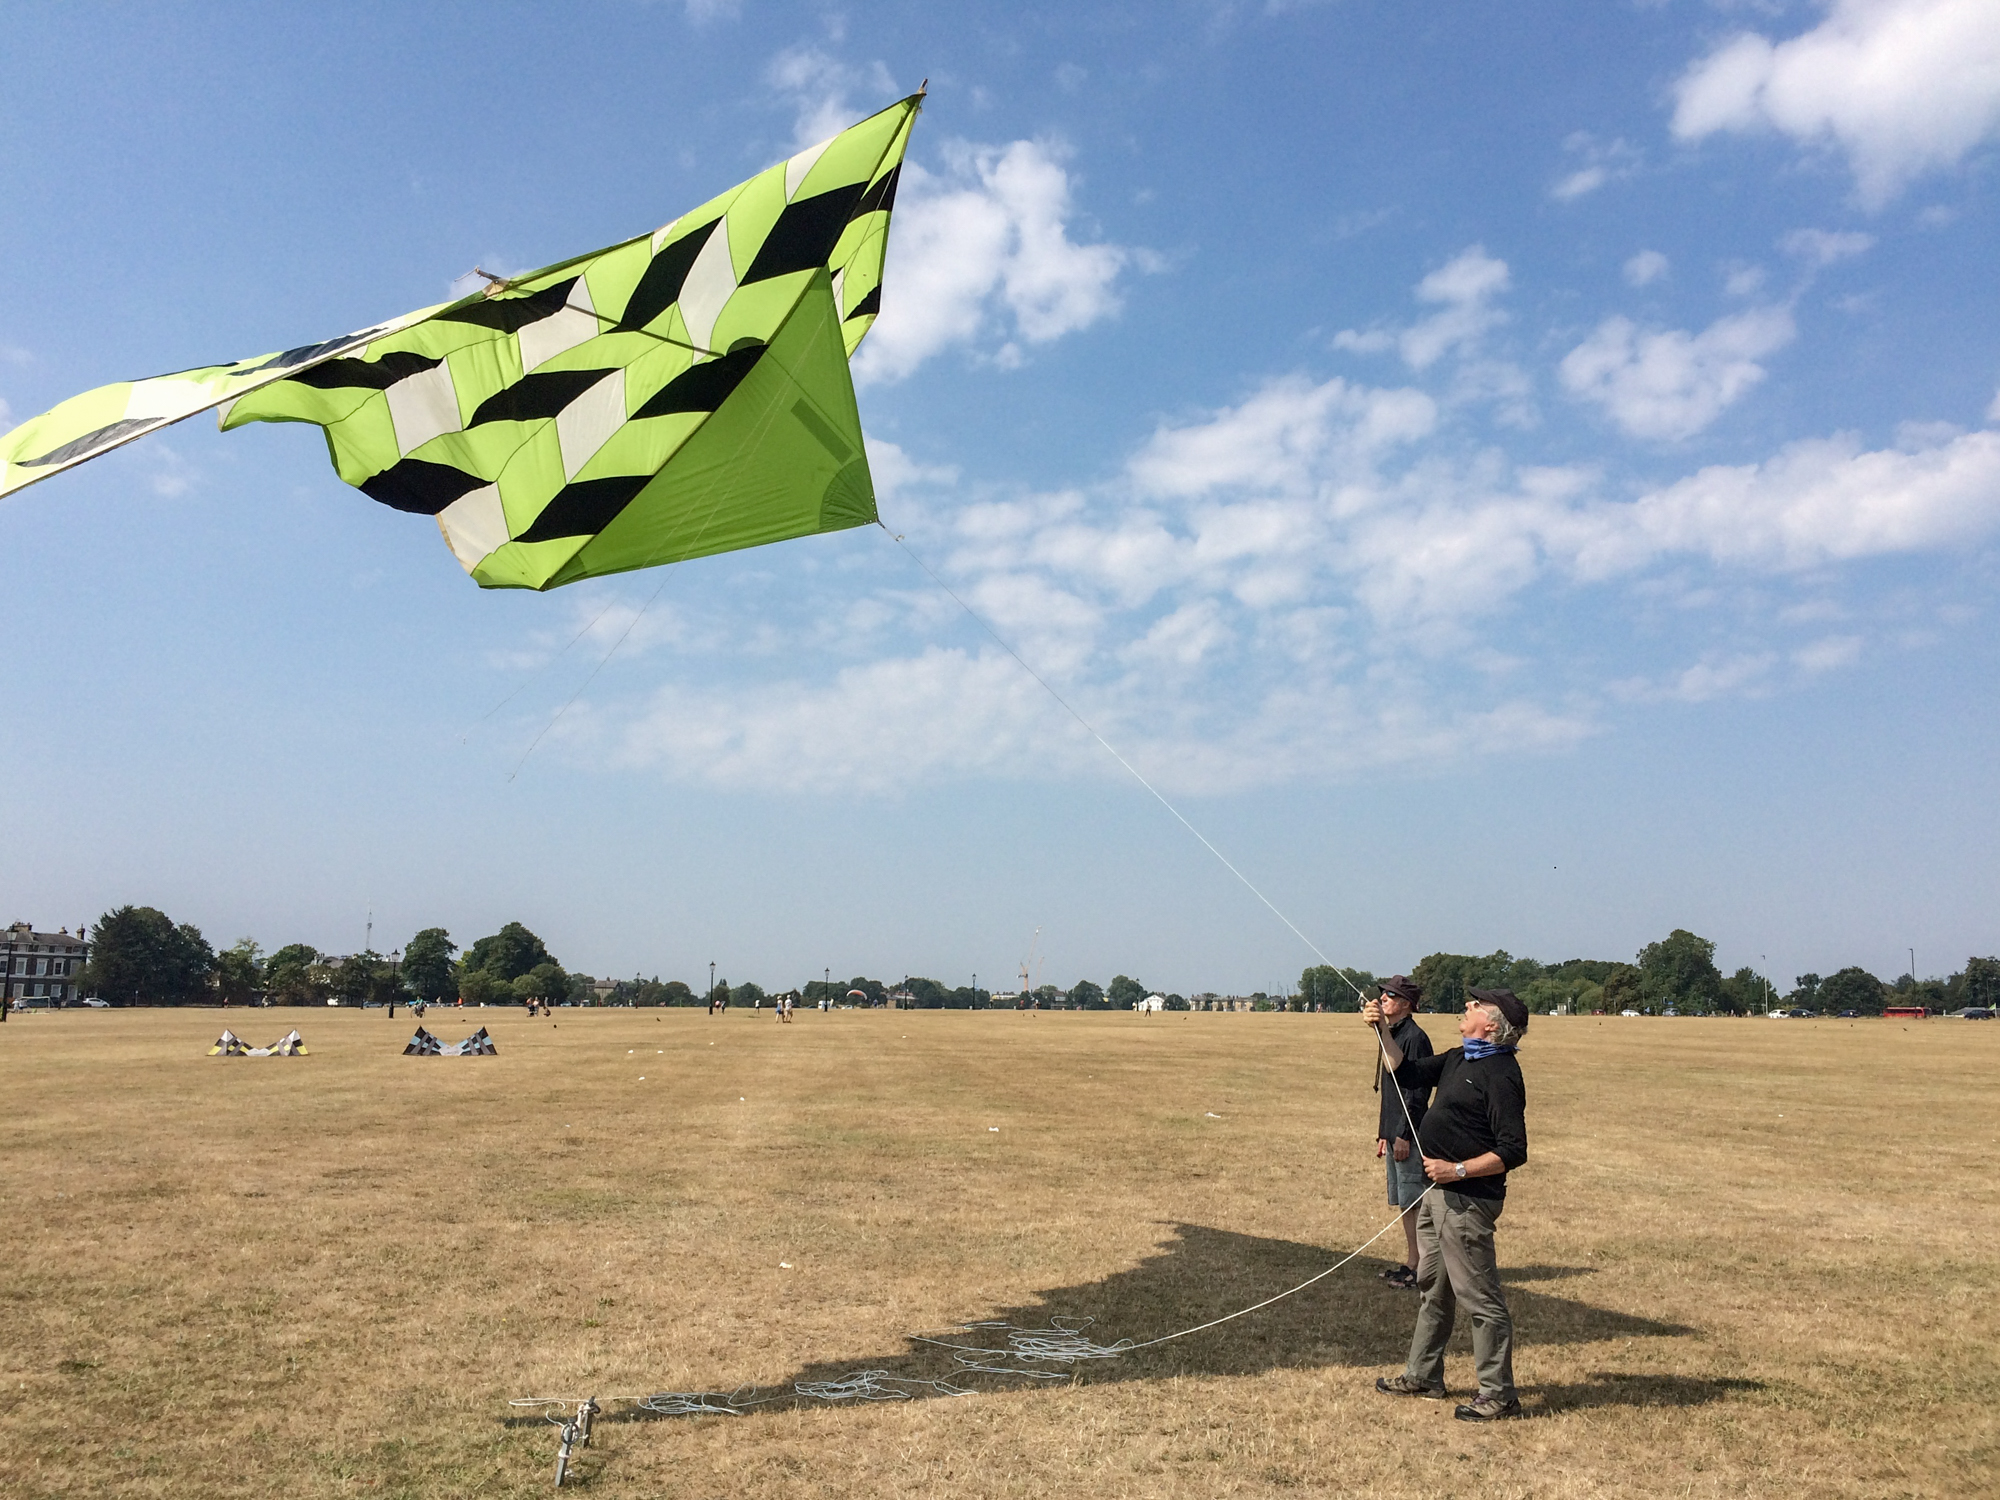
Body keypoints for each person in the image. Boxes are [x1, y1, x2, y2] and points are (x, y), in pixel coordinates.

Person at [1362, 985, 1530, 1422]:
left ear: (1491, 1025)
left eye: (1476, 1005)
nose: (1467, 1006)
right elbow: (1405, 1072)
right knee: (1432, 1286)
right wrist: (1382, 1029)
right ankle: (1423, 1375)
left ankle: (1499, 1395)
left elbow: (1513, 1150)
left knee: (1480, 1298)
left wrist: (1457, 1170)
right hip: (1436, 1194)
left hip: (1467, 1200)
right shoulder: (1460, 1057)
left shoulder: (1501, 1073)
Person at [1371, 975, 1434, 1289]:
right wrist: (1384, 1132)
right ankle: (1412, 1262)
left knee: (1415, 1202)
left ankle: (1421, 1267)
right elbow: (1390, 1091)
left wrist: (1404, 1135)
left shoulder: (1415, 1037)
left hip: (1407, 1134)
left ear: (1407, 1004)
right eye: (1383, 994)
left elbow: (1418, 1093)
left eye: (1391, 995)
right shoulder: (1393, 1034)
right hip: (1394, 1131)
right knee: (1405, 1203)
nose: (1383, 998)